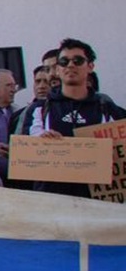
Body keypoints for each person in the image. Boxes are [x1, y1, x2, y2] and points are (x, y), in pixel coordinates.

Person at [27, 37, 126, 197]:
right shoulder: (39, 109)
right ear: (57, 69)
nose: (71, 65)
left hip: (97, 200)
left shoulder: (108, 109)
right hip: (52, 199)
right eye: (64, 61)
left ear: (90, 66)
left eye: (78, 60)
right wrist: (42, 142)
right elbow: (23, 154)